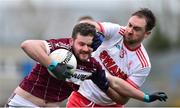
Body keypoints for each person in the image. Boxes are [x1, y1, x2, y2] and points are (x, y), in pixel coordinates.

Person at [67, 8, 168, 107]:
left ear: (146, 34)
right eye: (129, 25)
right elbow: (85, 24)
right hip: (81, 96)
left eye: (136, 29)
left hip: (110, 105)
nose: (129, 31)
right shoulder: (116, 31)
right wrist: (93, 30)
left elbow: (122, 99)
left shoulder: (143, 64)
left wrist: (104, 86)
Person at [5, 23, 104, 107]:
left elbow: (112, 84)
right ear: (72, 41)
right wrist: (54, 66)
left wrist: (106, 85)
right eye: (81, 44)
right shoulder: (60, 47)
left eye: (89, 45)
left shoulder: (93, 65)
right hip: (24, 103)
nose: (85, 48)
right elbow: (27, 45)